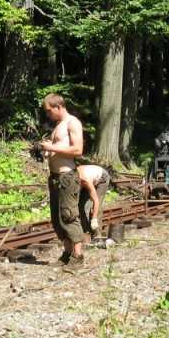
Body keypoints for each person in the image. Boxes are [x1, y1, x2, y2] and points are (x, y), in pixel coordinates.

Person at [39, 92, 85, 267]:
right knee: (58, 218)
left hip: (67, 176)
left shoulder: (73, 123)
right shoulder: (58, 125)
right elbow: (58, 148)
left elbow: (77, 150)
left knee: (69, 215)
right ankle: (66, 253)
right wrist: (48, 152)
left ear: (59, 106)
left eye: (49, 111)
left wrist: (52, 148)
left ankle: (78, 257)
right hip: (55, 177)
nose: (48, 114)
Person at [77, 164, 111, 242]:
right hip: (90, 177)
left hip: (102, 178)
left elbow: (96, 201)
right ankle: (86, 233)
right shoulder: (72, 179)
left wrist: (94, 219)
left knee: (97, 207)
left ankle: (97, 237)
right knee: (82, 206)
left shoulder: (86, 180)